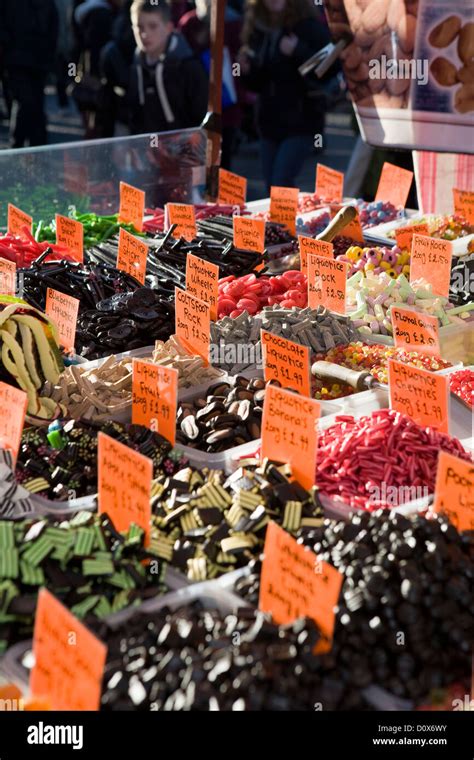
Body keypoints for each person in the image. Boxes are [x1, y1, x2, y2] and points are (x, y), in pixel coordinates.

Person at [239, 0, 330, 191]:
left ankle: (287, 221)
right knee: (270, 186)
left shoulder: (309, 26)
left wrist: (298, 51)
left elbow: (327, 69)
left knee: (281, 182)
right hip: (268, 123)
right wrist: (246, 70)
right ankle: (278, 221)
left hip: (301, 122)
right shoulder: (258, 29)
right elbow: (258, 84)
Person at [179, 0, 244, 170]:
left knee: (223, 158)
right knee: (199, 162)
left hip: (226, 103)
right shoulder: (189, 24)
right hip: (198, 103)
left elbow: (239, 61)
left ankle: (223, 194)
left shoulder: (233, 22)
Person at [126, 0, 208, 135]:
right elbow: (134, 112)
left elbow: (201, 116)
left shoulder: (188, 67)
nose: (144, 34)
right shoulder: (136, 65)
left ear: (169, 28)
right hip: (147, 148)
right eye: (139, 27)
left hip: (185, 149)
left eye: (153, 26)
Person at [0, 0, 58, 147]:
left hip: (37, 60)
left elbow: (53, 25)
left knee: (35, 106)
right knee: (25, 102)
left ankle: (36, 147)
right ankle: (17, 145)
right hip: (16, 59)